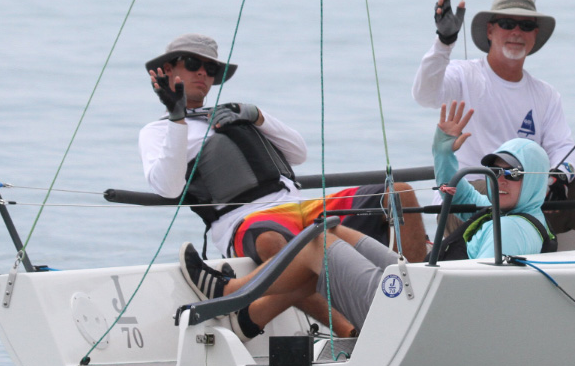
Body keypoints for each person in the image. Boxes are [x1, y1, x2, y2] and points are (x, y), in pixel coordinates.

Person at [178, 101, 554, 340]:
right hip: (425, 292)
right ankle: (250, 317)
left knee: (318, 243)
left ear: (535, 180)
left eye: (513, 174)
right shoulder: (505, 212)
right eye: (495, 171)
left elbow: (480, 291)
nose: (500, 180)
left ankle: (231, 293)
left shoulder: (514, 229)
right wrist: (442, 149)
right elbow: (460, 195)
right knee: (330, 227)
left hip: (421, 313)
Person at [140, 33, 426, 265]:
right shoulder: (158, 131)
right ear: (167, 70)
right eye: (192, 63)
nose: (202, 72)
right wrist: (177, 117)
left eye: (211, 68)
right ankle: (347, 328)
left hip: (299, 208)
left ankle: (411, 294)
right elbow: (168, 189)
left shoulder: (232, 114)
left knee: (399, 192)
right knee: (270, 242)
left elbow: (299, 153)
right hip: (245, 221)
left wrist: (256, 115)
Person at [412, 0, 575, 247]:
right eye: (507, 23)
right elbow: (424, 95)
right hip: (469, 196)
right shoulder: (462, 75)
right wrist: (444, 42)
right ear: (490, 30)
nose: (516, 32)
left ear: (535, 35)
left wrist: (558, 178)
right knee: (508, 194)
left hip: (528, 196)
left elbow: (564, 147)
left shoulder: (546, 94)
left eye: (525, 25)